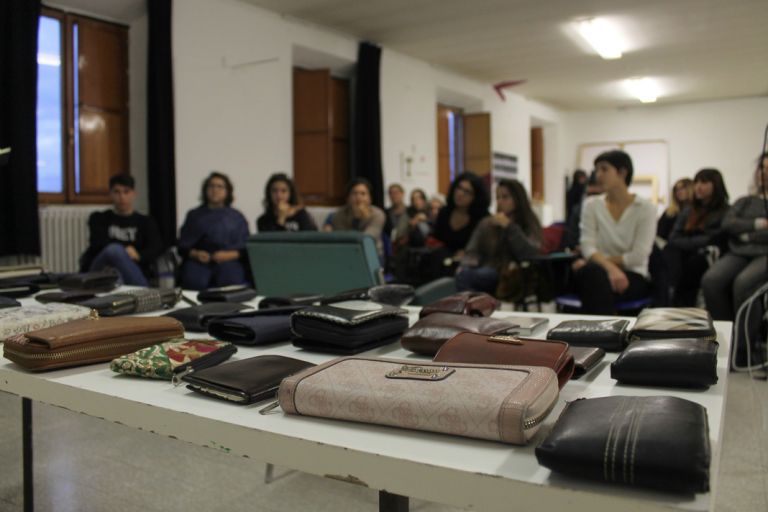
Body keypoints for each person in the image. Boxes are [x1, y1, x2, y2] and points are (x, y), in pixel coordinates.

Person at [572, 150, 656, 314]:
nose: (598, 175)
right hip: (597, 273)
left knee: (594, 280)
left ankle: (599, 333)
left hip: (632, 275)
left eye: (604, 169)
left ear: (622, 172)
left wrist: (600, 262)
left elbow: (638, 255)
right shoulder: (591, 205)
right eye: (596, 170)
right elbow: (587, 246)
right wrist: (610, 268)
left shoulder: (646, 209)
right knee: (594, 276)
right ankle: (608, 333)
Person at [702, 153, 768, 320]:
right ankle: (724, 329)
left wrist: (745, 235)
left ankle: (743, 342)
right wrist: (759, 224)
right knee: (711, 280)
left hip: (763, 254)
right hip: (738, 252)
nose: (763, 173)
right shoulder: (745, 201)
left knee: (743, 283)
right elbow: (728, 223)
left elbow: (737, 227)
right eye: (761, 168)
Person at [456, 179, 542, 294]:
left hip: (513, 272)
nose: (500, 202)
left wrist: (510, 227)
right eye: (498, 197)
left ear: (517, 199)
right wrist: (466, 265)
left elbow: (530, 253)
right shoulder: (487, 223)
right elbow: (472, 249)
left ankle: (474, 306)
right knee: (463, 274)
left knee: (467, 277)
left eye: (505, 197)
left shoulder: (528, 221)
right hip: (487, 268)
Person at [80, 174, 163, 286]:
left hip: (133, 271)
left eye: (126, 192)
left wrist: (139, 255)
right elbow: (97, 243)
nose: (122, 197)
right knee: (114, 250)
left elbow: (155, 248)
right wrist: (125, 250)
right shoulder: (99, 218)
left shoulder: (146, 222)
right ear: (110, 194)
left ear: (134, 194)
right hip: (101, 269)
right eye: (117, 192)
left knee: (119, 264)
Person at [665, 169, 729, 306]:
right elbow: (673, 237)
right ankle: (671, 298)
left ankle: (678, 301)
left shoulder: (725, 211)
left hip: (708, 256)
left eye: (704, 182)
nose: (698, 186)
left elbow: (714, 239)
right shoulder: (689, 210)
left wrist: (689, 241)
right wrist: (695, 241)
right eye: (696, 182)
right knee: (670, 251)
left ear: (715, 185)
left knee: (694, 261)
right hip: (683, 254)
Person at [178, 172, 250, 290]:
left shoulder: (237, 217)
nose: (215, 190)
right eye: (211, 186)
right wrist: (196, 254)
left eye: (220, 186)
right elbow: (183, 245)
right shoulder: (194, 215)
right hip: (199, 261)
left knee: (231, 282)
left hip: (229, 261)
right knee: (193, 281)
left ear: (227, 191)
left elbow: (245, 247)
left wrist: (229, 255)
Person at [432, 172, 491, 257]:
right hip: (443, 262)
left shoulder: (482, 218)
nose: (460, 194)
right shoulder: (444, 212)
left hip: (470, 265)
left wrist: (467, 253)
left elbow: (485, 248)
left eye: (467, 192)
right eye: (459, 188)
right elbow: (436, 239)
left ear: (476, 197)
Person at [324, 178, 386, 256]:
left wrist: (360, 217)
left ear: (369, 198)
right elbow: (341, 237)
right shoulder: (338, 214)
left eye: (363, 194)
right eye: (354, 193)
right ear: (348, 197)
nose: (359, 197)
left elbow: (368, 238)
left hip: (372, 254)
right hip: (345, 253)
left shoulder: (377, 214)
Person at [657, 178, 694, 244]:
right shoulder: (669, 212)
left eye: (683, 188)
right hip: (670, 248)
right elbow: (659, 234)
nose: (679, 192)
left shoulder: (698, 212)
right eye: (676, 189)